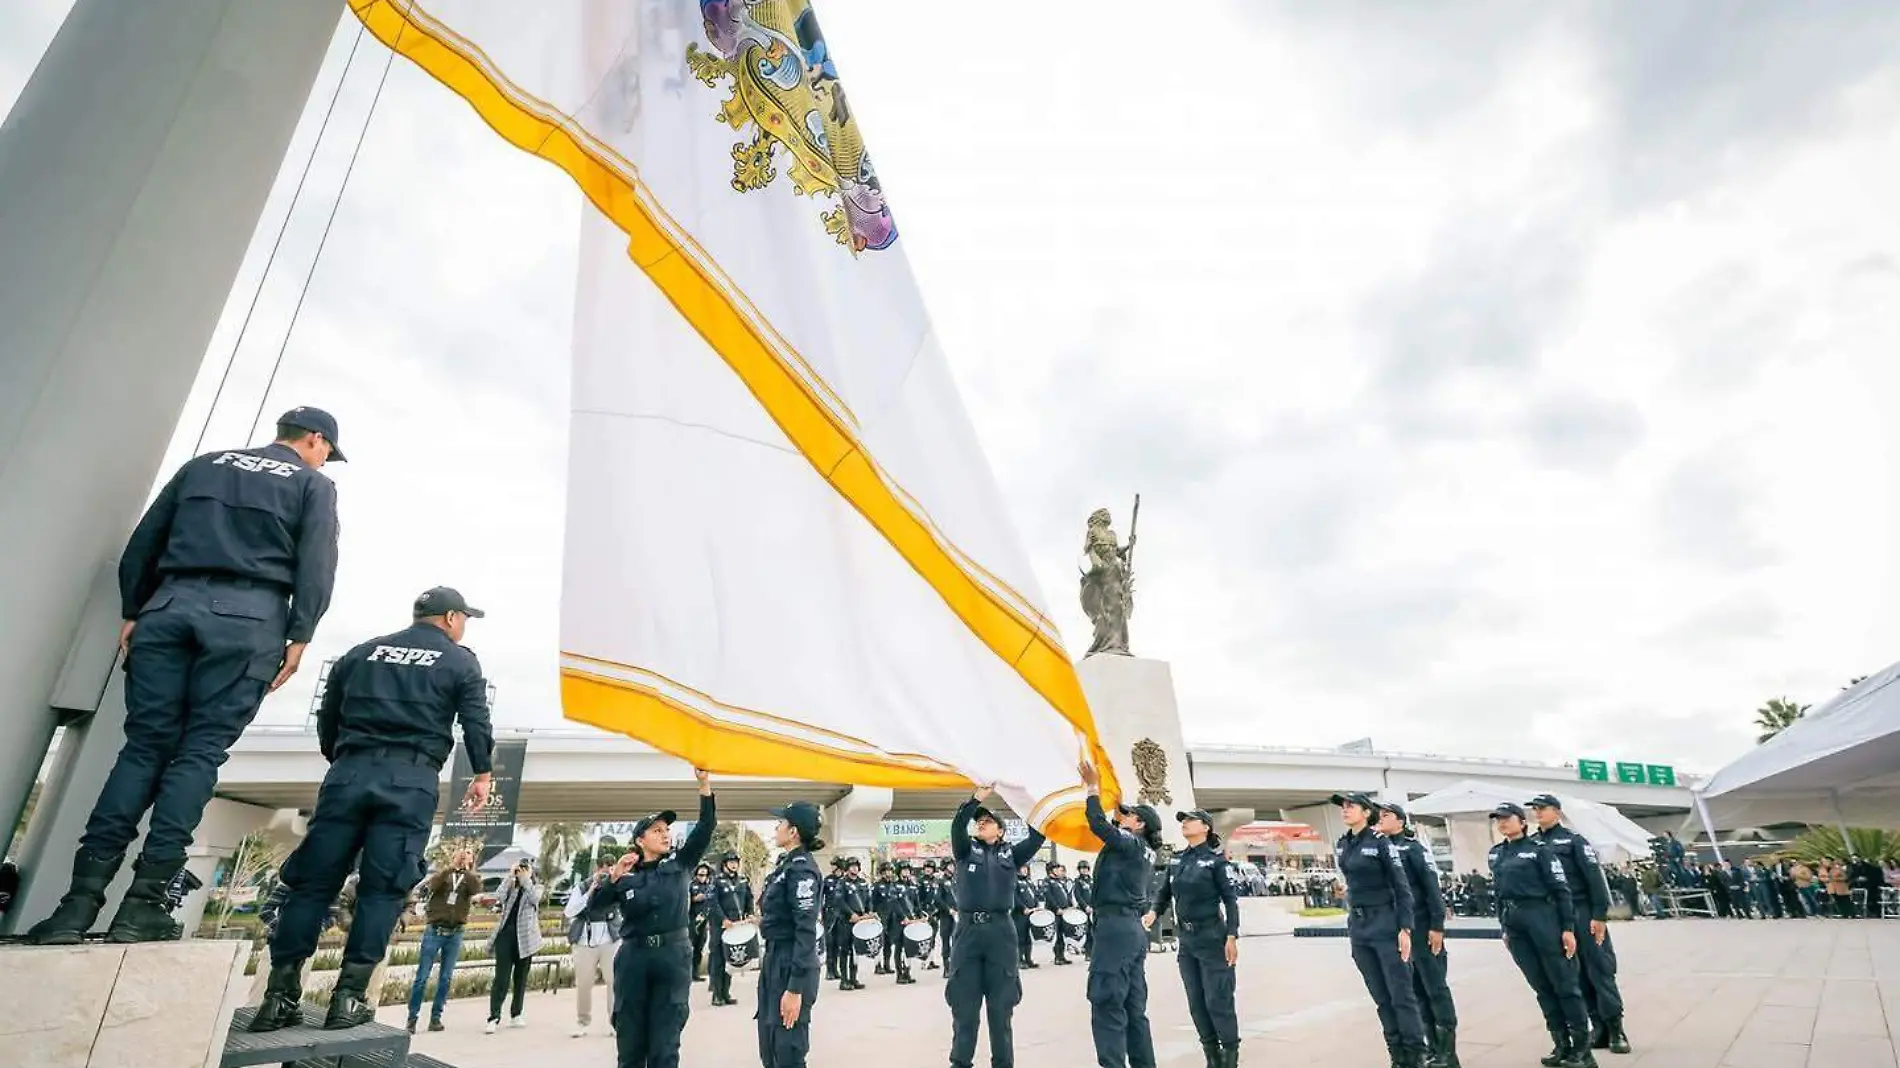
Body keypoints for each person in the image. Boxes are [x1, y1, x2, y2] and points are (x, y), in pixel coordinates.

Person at [29, 408, 344, 945]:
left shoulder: (204, 465)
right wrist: (300, 635)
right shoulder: (313, 485)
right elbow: (317, 564)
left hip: (169, 607)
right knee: (198, 753)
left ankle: (76, 905)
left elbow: (144, 542)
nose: (324, 459)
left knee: (142, 748)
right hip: (249, 620)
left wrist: (136, 609)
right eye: (325, 450)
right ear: (314, 440)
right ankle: (142, 906)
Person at [249, 586, 492, 1032]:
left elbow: (328, 714)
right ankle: (348, 998)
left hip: (348, 773)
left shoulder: (362, 653)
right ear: (452, 618)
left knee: (311, 886)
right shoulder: (460, 661)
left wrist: (342, 759)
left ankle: (278, 997)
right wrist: (482, 773)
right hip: (410, 780)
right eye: (464, 619)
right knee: (383, 889)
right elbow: (476, 719)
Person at [589, 770, 716, 1067]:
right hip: (634, 959)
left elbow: (706, 827)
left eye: (667, 830)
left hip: (672, 957)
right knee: (631, 1043)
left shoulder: (680, 865)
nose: (665, 834)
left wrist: (704, 785)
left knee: (665, 1044)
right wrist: (614, 876)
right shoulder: (625, 875)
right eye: (657, 830)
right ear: (640, 840)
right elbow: (595, 909)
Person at [945, 784, 1045, 1068]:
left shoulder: (1011, 855)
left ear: (1000, 831)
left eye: (988, 821)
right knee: (965, 1008)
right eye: (979, 820)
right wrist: (976, 799)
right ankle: (960, 1062)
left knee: (1001, 1010)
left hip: (1001, 933)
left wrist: (1026, 802)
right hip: (967, 934)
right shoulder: (966, 851)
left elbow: (1038, 835)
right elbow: (958, 825)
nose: (981, 823)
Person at [1489, 803, 1592, 1068]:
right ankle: (1561, 1044)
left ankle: (1583, 1051)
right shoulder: (1496, 854)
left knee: (1565, 983)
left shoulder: (1540, 852)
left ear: (1522, 822)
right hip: (1515, 924)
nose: (1501, 823)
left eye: (1506, 819)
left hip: (1542, 918)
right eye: (1498, 820)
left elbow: (1561, 890)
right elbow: (1499, 893)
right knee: (1541, 986)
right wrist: (1504, 926)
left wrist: (1567, 927)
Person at [1331, 792, 1428, 1068]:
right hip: (1359, 927)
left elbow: (1402, 888)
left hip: (1386, 924)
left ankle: (1416, 1056)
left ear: (1366, 812)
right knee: (1381, 998)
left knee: (1402, 996)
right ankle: (1397, 1056)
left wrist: (1405, 929)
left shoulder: (1381, 843)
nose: (1345, 810)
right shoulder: (1343, 844)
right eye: (1344, 807)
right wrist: (1346, 891)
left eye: (1351, 806)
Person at [1527, 795, 1629, 1056]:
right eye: (1535, 810)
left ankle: (1616, 1029)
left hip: (1582, 911)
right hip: (1556, 917)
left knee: (1599, 969)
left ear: (1557, 812)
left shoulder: (1574, 841)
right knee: (1574, 974)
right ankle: (1598, 1027)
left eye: (1543, 809)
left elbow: (1594, 878)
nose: (1538, 813)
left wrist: (1599, 915)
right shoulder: (1533, 845)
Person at [1079, 756, 1159, 1068]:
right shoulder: (1143, 849)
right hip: (1130, 930)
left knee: (1107, 1001)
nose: (1121, 817)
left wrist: (1091, 789)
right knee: (1133, 1006)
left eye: (1128, 815)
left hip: (1115, 930)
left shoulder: (1130, 844)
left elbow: (1098, 824)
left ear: (1139, 824)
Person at [1149, 810, 1240, 1068]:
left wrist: (1232, 935)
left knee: (1218, 999)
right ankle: (1212, 1057)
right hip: (1187, 940)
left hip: (1212, 937)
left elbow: (1231, 901)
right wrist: (1153, 913)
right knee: (1196, 1002)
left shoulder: (1216, 861)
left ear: (1206, 827)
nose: (1185, 823)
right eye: (1183, 821)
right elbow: (1164, 893)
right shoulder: (1177, 860)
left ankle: (1230, 1057)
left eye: (1190, 820)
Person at [1378, 803, 1458, 1068]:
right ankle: (1433, 1048)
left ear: (1400, 821)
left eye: (1386, 814)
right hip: (1398, 929)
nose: (1380, 818)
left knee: (1435, 988)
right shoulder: (1379, 850)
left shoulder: (1413, 849)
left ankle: (1448, 1053)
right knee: (1414, 992)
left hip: (1423, 926)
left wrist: (1437, 926)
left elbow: (1431, 888)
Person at [758, 800, 826, 1068]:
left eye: (781, 823)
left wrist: (795, 988)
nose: (777, 827)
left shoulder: (802, 871)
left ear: (794, 831)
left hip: (792, 963)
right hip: (775, 958)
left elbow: (806, 929)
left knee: (788, 1050)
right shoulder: (785, 866)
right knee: (770, 1047)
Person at [407, 848, 484, 1033]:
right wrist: (451, 868)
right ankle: (412, 1018)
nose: (463, 856)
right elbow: (432, 885)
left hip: (455, 933)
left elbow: (476, 889)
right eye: (460, 854)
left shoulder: (470, 878)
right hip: (434, 931)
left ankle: (436, 1017)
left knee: (445, 978)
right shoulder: (443, 874)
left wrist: (468, 869)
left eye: (468, 854)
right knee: (422, 977)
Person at [486, 859, 544, 1032]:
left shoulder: (536, 887)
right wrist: (510, 875)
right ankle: (493, 1017)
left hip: (526, 938)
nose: (523, 871)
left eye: (526, 869)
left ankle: (516, 1014)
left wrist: (526, 879)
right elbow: (499, 896)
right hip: (506, 935)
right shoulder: (512, 885)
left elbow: (535, 898)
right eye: (521, 868)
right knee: (501, 978)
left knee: (521, 978)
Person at [566, 856, 620, 1037]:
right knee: (584, 983)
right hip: (584, 940)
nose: (607, 874)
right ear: (597, 869)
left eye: (611, 869)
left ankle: (615, 1022)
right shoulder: (582, 886)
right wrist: (590, 891)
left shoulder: (618, 885)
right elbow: (570, 911)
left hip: (610, 939)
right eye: (604, 870)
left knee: (614, 982)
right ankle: (582, 1022)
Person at [709, 850, 755, 1006]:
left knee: (731, 960)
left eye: (736, 862)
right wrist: (723, 919)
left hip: (736, 926)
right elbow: (713, 903)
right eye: (730, 862)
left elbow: (749, 899)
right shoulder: (716, 881)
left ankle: (726, 992)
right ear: (724, 864)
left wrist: (750, 913)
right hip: (720, 927)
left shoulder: (742, 880)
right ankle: (716, 994)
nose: (734, 864)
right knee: (718, 960)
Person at [834, 858, 870, 991]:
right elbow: (839, 900)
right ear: (847, 868)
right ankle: (844, 980)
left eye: (856, 866)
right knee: (845, 950)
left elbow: (868, 899)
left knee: (856, 951)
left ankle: (853, 978)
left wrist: (868, 912)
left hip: (860, 922)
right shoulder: (842, 883)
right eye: (852, 866)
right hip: (846, 921)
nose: (854, 869)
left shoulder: (863, 883)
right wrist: (851, 914)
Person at [1042, 861, 1078, 966]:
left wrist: (1070, 905)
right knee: (1056, 935)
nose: (1058, 870)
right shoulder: (1047, 881)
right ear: (1051, 870)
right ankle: (1057, 957)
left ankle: (1062, 956)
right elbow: (1049, 896)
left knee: (1062, 935)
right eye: (1056, 869)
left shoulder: (1060, 881)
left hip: (1064, 912)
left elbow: (1066, 894)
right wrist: (1056, 908)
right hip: (1054, 913)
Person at [822, 857, 847, 981]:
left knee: (839, 943)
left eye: (834, 865)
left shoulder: (844, 881)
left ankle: (836, 969)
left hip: (842, 915)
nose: (832, 867)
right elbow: (821, 898)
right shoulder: (827, 880)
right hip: (830, 914)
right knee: (830, 943)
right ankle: (829, 970)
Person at [1015, 863, 1042, 969]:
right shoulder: (1014, 880)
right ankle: (1019, 960)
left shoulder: (1029, 881)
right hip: (1020, 914)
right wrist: (1023, 908)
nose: (1025, 870)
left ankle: (1028, 959)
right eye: (1022, 868)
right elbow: (1014, 897)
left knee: (1028, 937)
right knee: (1020, 937)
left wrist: (1037, 905)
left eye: (1026, 868)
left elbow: (1035, 894)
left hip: (1032, 913)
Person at [691, 862, 715, 981]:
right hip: (692, 921)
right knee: (690, 948)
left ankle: (695, 973)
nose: (702, 877)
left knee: (699, 948)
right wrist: (694, 899)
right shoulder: (691, 885)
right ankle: (688, 974)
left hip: (704, 921)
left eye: (705, 875)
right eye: (700, 875)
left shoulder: (709, 887)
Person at [1075, 860, 1096, 960]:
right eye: (1082, 868)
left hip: (1094, 909)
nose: (1084, 870)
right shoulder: (1078, 881)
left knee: (1094, 932)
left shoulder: (1092, 880)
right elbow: (1078, 896)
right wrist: (1085, 906)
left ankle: (1094, 952)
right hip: (1085, 910)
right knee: (1087, 933)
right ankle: (1088, 953)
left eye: (1086, 868)